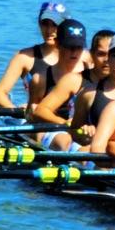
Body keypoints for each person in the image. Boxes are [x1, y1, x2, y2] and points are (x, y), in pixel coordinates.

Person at [0, 1, 69, 109]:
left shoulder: (79, 57)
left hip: (70, 119)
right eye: (45, 24)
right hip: (35, 118)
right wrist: (17, 111)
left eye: (55, 25)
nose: (49, 30)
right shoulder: (24, 57)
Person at [28, 18, 87, 148]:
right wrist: (64, 123)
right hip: (52, 129)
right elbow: (32, 117)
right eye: (70, 47)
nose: (75, 52)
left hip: (81, 129)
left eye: (79, 47)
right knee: (62, 141)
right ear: (58, 44)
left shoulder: (90, 71)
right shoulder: (40, 79)